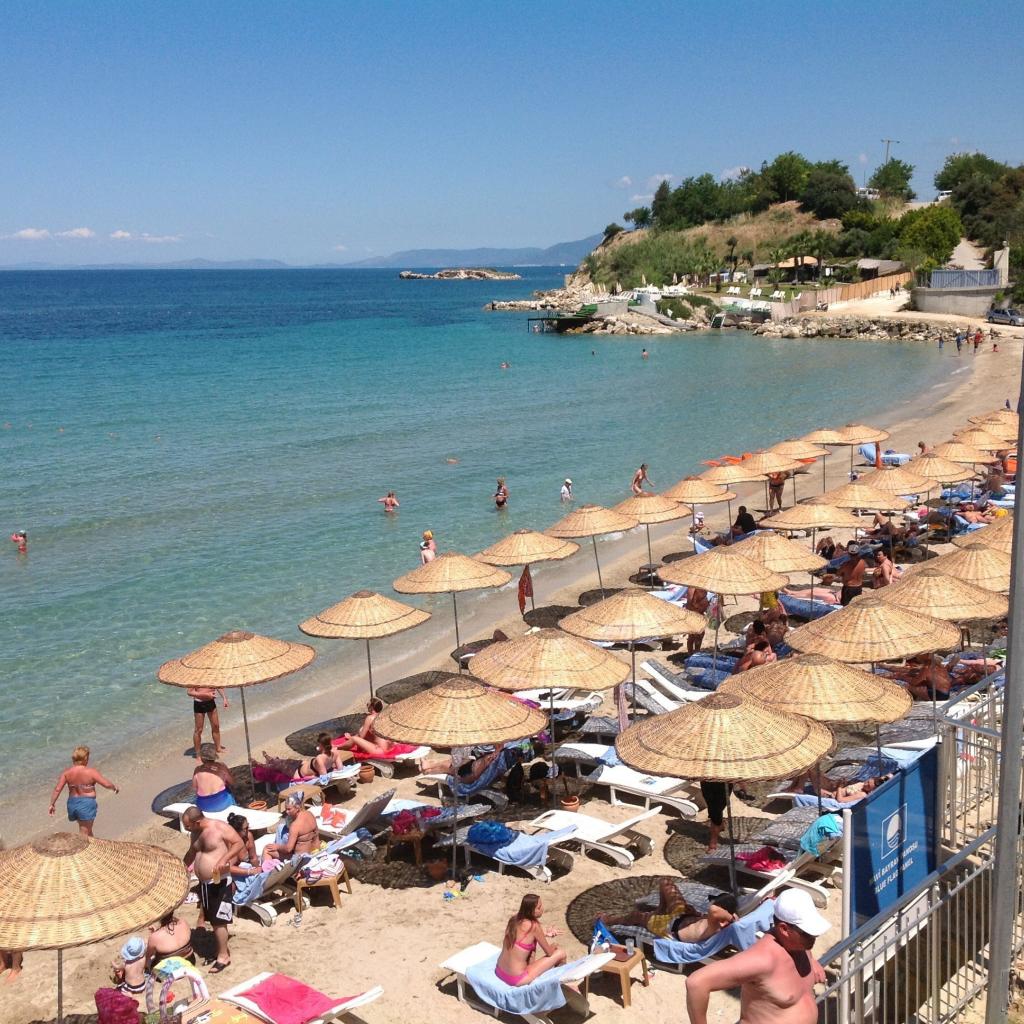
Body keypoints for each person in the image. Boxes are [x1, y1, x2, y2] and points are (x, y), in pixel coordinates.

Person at [685, 887, 828, 1024]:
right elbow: (696, 983)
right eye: (808, 933)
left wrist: (811, 960)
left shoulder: (800, 945)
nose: (814, 938)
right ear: (784, 929)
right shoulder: (761, 959)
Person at [181, 807, 245, 973]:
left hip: (219, 881)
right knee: (212, 919)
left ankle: (223, 956)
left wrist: (224, 859)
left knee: (219, 920)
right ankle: (218, 951)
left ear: (197, 822)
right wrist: (181, 867)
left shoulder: (219, 827)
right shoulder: (195, 833)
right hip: (204, 883)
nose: (187, 829)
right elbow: (192, 851)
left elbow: (239, 843)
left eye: (188, 826)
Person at [597, 881, 738, 941]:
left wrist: (731, 918)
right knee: (666, 883)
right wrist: (696, 914)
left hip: (669, 927)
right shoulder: (718, 920)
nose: (711, 904)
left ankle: (608, 920)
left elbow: (713, 910)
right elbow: (707, 916)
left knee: (636, 916)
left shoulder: (717, 924)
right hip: (683, 916)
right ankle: (660, 909)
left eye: (715, 903)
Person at [494, 894, 566, 987]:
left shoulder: (513, 920)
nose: (542, 909)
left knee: (529, 951)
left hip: (499, 970)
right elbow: (549, 953)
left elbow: (522, 938)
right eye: (539, 907)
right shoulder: (534, 926)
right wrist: (554, 945)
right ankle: (560, 987)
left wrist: (543, 934)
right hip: (516, 979)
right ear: (531, 911)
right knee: (560, 952)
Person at [49, 746, 119, 836]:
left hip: (72, 803)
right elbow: (106, 784)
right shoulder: (91, 772)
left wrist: (52, 804)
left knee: (86, 830)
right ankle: (83, 845)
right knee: (84, 834)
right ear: (85, 759)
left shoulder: (67, 773)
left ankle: (92, 844)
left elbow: (57, 789)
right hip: (86, 804)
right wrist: (114, 787)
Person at [263, 793, 320, 861]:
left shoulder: (295, 826)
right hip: (314, 851)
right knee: (281, 827)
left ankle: (268, 867)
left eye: (289, 809)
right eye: (286, 809)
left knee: (267, 849)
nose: (287, 812)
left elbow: (288, 849)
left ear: (297, 808)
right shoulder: (310, 814)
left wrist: (277, 847)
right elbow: (316, 834)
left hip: (299, 858)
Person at [186, 685, 228, 761]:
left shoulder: (209, 677)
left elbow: (218, 686)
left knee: (216, 726)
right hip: (199, 703)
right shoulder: (194, 678)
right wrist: (205, 695)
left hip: (211, 702)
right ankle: (198, 754)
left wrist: (224, 698)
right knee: (198, 730)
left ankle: (218, 748)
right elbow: (189, 692)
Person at [192, 745, 234, 813]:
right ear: (214, 757)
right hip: (222, 802)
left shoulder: (197, 770)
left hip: (203, 805)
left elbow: (195, 788)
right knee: (230, 792)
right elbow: (232, 782)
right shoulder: (221, 766)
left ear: (202, 758)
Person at [700, 781, 731, 850]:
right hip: (707, 779)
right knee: (713, 806)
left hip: (724, 780)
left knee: (717, 807)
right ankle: (719, 826)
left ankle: (713, 840)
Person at [686, 587, 710, 655]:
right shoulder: (693, 587)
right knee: (692, 635)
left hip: (700, 613)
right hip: (694, 613)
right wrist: (693, 610)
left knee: (700, 634)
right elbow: (689, 600)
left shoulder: (703, 585)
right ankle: (690, 653)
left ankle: (697, 651)